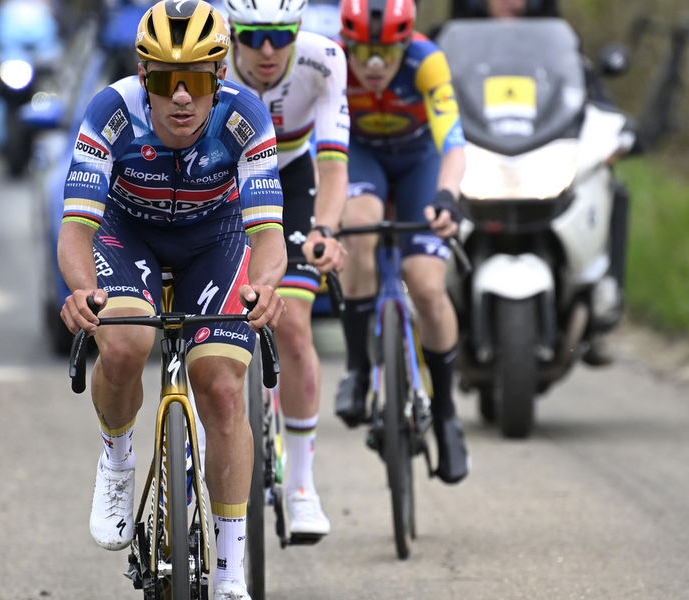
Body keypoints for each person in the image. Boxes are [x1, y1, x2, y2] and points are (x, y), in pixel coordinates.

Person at [56, 2, 286, 598]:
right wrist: (83, 291)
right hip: (127, 234)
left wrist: (264, 287)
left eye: (197, 82)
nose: (181, 98)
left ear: (221, 79)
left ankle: (232, 573)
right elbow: (76, 232)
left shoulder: (246, 117)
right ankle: (117, 458)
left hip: (216, 239)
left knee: (223, 388)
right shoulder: (110, 112)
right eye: (163, 81)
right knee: (127, 342)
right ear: (142, 77)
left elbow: (267, 236)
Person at [222, 0, 350, 541]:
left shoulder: (323, 61)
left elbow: (333, 159)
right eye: (252, 36)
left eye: (279, 35)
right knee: (213, 319)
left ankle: (301, 485)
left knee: (294, 325)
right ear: (231, 34)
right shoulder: (208, 58)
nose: (268, 50)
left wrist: (325, 228)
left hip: (290, 174)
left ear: (298, 29)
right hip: (221, 177)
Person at [437, 0, 627, 366]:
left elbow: (592, 99)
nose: (512, 1)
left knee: (609, 185)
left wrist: (616, 128)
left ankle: (605, 296)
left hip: (539, 162)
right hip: (476, 158)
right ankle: (394, 309)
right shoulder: (444, 46)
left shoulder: (558, 45)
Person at [334, 0, 469, 484]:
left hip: (419, 162)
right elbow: (320, 142)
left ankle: (448, 414)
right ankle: (355, 369)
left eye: (386, 52)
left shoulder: (426, 61)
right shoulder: (330, 62)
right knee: (360, 222)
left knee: (427, 285)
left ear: (405, 43)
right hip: (362, 158)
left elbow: (452, 142)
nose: (374, 66)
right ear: (346, 43)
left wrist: (448, 198)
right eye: (363, 52)